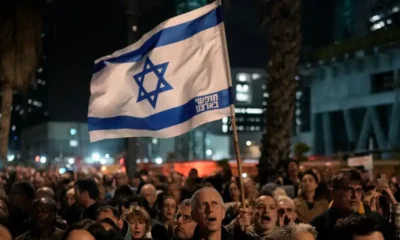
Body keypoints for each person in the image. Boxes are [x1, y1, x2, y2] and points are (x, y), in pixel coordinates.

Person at [310, 169, 394, 240]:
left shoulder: (379, 222)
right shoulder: (316, 227)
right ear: (333, 193)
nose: (355, 195)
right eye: (349, 190)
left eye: (358, 190)